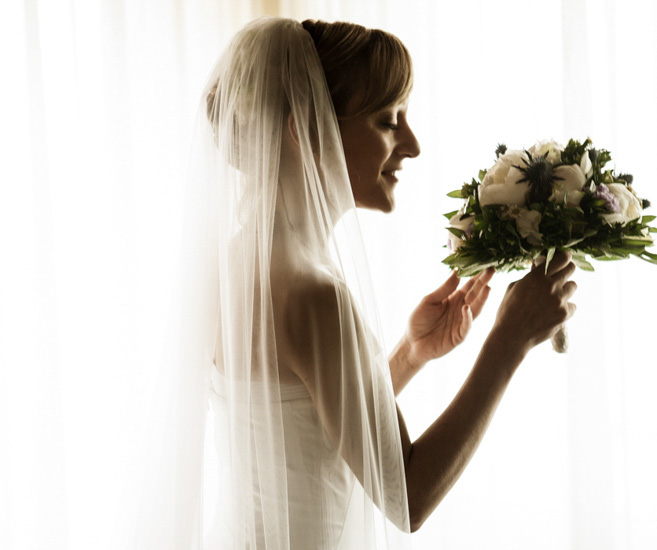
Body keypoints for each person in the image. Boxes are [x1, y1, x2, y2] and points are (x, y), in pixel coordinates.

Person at [165, 16, 576, 549]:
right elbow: (407, 497)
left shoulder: (238, 259)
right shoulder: (313, 292)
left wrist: (410, 353)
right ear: (307, 128)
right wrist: (510, 340)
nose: (412, 144)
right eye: (388, 120)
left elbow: (305, 423)